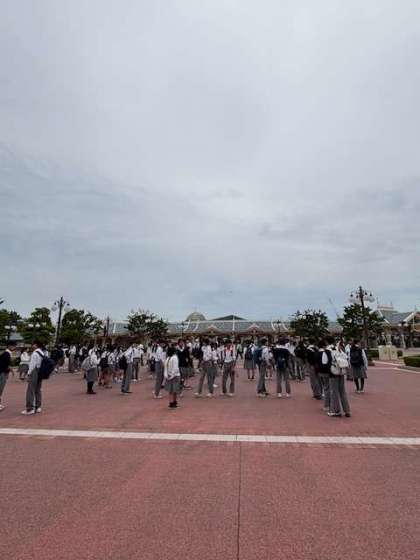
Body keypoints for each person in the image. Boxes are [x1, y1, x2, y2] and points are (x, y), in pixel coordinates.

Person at [328, 344, 351, 417]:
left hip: (334, 373)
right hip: (342, 373)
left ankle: (336, 411)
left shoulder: (330, 351)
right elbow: (347, 360)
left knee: (334, 392)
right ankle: (347, 410)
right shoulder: (342, 353)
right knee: (342, 392)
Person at [22, 340, 44, 414]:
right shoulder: (41, 352)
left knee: (30, 390)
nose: (32, 346)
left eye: (33, 344)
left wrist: (28, 374)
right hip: (40, 372)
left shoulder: (35, 353)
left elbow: (32, 365)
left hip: (34, 372)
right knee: (38, 390)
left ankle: (30, 408)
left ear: (36, 345)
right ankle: (38, 407)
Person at [0, 341, 15, 411]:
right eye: (13, 346)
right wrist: (11, 371)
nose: (14, 348)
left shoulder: (6, 353)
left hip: (3, 373)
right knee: (0, 388)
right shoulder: (7, 354)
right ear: (9, 346)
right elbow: (6, 365)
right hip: (2, 373)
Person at [317, 340, 332, 412]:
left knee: (325, 387)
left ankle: (327, 404)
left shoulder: (317, 353)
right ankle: (327, 405)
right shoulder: (328, 352)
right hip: (327, 372)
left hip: (320, 372)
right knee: (327, 388)